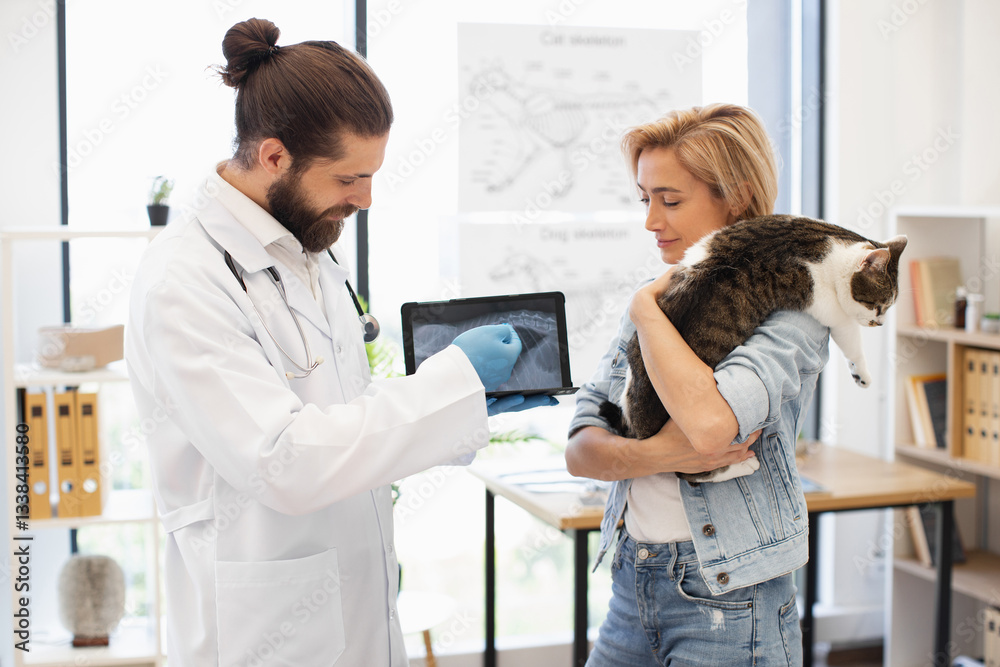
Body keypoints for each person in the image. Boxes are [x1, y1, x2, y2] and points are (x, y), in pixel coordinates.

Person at [125, 18, 551, 666]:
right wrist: (450, 386)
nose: (366, 198)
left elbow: (332, 407)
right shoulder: (184, 280)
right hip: (264, 632)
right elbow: (283, 459)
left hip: (356, 613)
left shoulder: (305, 244)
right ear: (274, 156)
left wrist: (461, 396)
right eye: (350, 179)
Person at [565, 103, 830, 666]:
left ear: (735, 197)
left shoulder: (793, 312)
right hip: (634, 581)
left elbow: (711, 427)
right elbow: (580, 450)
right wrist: (659, 453)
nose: (651, 220)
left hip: (733, 600)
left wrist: (645, 311)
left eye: (671, 200)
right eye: (645, 198)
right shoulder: (656, 301)